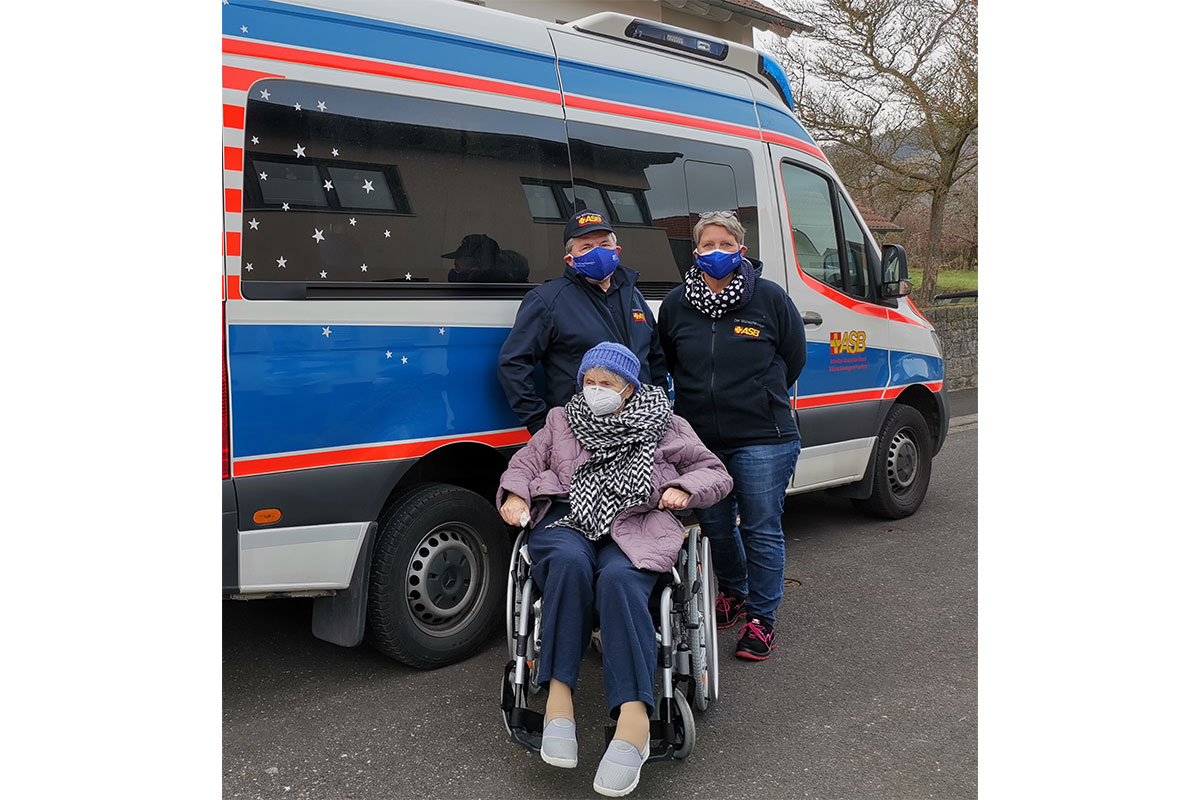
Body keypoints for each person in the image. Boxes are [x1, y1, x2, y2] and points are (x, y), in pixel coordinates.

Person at [496, 342, 732, 797]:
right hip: (569, 518)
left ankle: (634, 719)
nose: (596, 389)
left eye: (607, 383)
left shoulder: (666, 423)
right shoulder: (561, 420)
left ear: (629, 388)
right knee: (566, 563)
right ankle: (559, 702)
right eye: (589, 381)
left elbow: (714, 471)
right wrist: (516, 496)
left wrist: (684, 487)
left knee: (622, 580)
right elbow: (524, 463)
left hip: (637, 522)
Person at [657, 210, 806, 662]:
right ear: (695, 251)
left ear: (741, 250)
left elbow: (792, 356)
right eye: (707, 244)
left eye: (726, 244)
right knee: (717, 529)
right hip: (700, 442)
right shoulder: (677, 305)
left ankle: (762, 619)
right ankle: (735, 593)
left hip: (764, 435)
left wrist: (760, 396)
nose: (716, 252)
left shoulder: (769, 299)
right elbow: (669, 361)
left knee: (761, 528)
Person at [498, 209, 669, 433]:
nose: (598, 253)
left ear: (617, 251)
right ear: (570, 259)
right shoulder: (547, 301)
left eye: (604, 245)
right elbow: (513, 363)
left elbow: (654, 357)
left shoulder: (633, 296)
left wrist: (661, 407)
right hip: (582, 432)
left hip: (642, 428)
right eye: (586, 247)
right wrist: (539, 423)